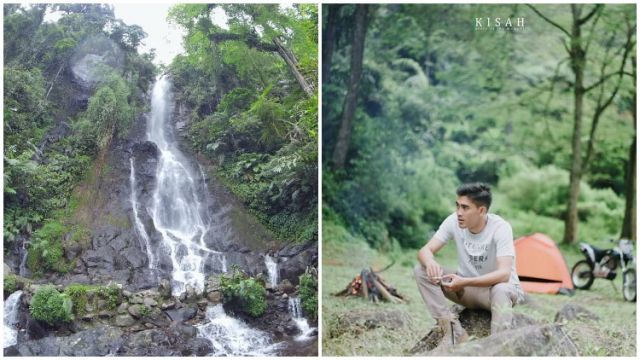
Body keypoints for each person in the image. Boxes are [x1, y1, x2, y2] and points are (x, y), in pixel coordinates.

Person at [414, 182, 525, 348]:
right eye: (457, 206)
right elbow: (425, 250)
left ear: (481, 210)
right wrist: (430, 262)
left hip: (497, 293)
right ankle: (453, 332)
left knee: (501, 289)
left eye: (465, 208)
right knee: (421, 270)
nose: (459, 212)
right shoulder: (453, 222)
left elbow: (503, 274)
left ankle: (497, 346)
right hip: (466, 291)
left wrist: (463, 282)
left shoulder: (501, 228)